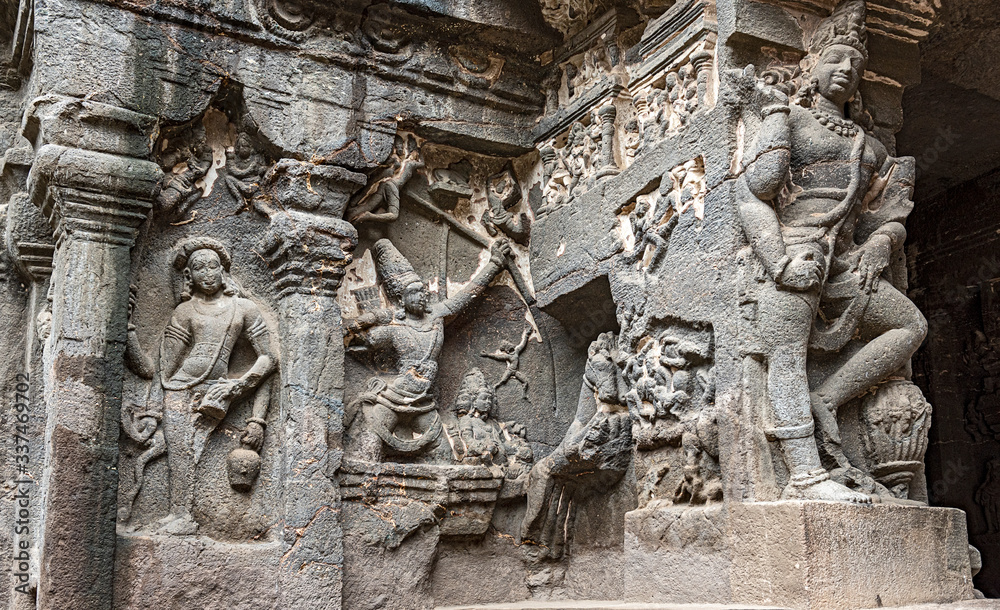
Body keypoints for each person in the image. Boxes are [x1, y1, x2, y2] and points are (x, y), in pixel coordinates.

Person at [735, 0, 926, 502]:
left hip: (846, 260)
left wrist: (880, 243)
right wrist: (779, 262)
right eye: (836, 59)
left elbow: (885, 213)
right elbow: (755, 192)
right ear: (812, 68)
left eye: (856, 64)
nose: (847, 69)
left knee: (910, 326)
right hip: (796, 251)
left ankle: (827, 397)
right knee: (786, 356)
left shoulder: (871, 146)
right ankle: (805, 475)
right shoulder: (792, 119)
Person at [129, 237, 277, 535]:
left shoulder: (243, 308)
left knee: (189, 450)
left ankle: (185, 516)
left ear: (223, 271)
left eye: (213, 266)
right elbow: (159, 369)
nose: (207, 273)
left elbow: (269, 358)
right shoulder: (184, 312)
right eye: (199, 268)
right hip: (179, 388)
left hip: (217, 390)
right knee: (179, 453)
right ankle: (179, 514)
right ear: (189, 276)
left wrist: (237, 386)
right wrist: (129, 331)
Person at [344, 238, 512, 462]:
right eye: (414, 292)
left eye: (423, 290)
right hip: (395, 397)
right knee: (369, 444)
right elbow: (362, 342)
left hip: (424, 402)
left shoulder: (436, 316)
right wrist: (355, 325)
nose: (422, 295)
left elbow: (466, 296)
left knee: (444, 455)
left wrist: (494, 264)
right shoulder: (393, 329)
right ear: (401, 299)